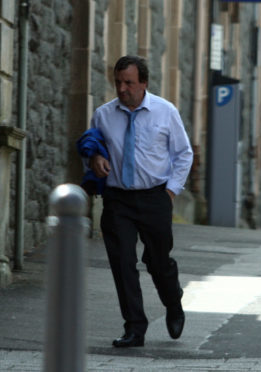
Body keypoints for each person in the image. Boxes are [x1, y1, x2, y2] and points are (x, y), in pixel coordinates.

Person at [89, 55, 193, 347]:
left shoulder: (165, 111)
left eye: (129, 83)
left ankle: (173, 303)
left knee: (158, 262)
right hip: (118, 200)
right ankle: (135, 327)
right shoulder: (103, 115)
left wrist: (170, 191)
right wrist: (95, 158)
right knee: (122, 263)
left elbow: (184, 153)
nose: (122, 89)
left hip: (155, 197)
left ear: (144, 83)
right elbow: (92, 146)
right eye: (118, 82)